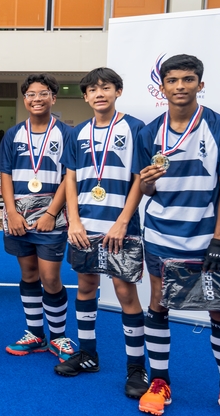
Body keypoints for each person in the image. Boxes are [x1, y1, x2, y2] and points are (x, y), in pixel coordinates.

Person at [132, 55, 220, 415]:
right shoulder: (149, 132)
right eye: (173, 80)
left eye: (188, 79)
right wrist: (146, 184)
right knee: (158, 305)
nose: (180, 86)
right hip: (162, 234)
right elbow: (146, 189)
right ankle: (160, 382)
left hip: (205, 236)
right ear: (161, 87)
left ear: (200, 83)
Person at [57, 68, 149, 397]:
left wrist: (124, 220)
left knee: (125, 294)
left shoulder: (135, 128)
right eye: (92, 90)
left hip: (120, 227)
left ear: (118, 91)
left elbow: (140, 178)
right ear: (85, 96)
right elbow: (70, 178)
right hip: (85, 226)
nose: (99, 93)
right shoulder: (77, 132)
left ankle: (137, 368)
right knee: (86, 287)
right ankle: (88, 355)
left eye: (106, 87)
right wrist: (74, 221)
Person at [0, 74, 75, 362]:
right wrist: (11, 213)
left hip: (51, 217)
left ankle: (59, 336)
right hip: (19, 217)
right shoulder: (14, 133)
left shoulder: (67, 134)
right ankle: (35, 334)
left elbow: (70, 177)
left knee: (50, 278)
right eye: (30, 94)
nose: (36, 99)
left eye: (43, 94)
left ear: (54, 98)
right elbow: (4, 174)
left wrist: (52, 213)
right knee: (28, 274)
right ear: (24, 99)